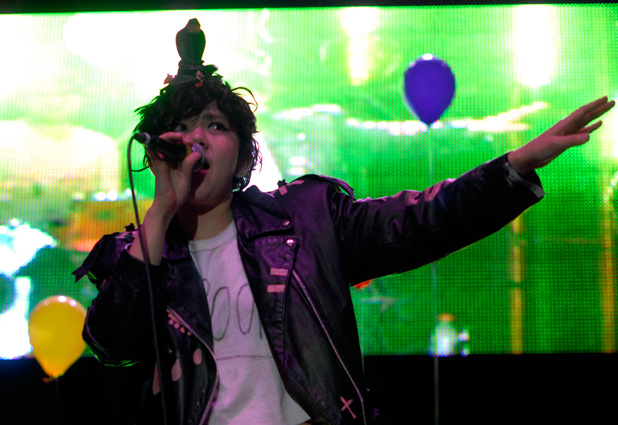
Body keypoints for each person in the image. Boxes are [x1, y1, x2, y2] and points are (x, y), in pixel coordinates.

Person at [74, 19, 614, 425]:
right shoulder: (137, 253)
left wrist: (516, 165)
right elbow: (111, 343)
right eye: (183, 127)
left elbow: (422, 220)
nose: (196, 138)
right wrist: (162, 209)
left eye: (215, 125)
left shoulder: (305, 220)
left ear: (242, 159)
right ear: (160, 150)